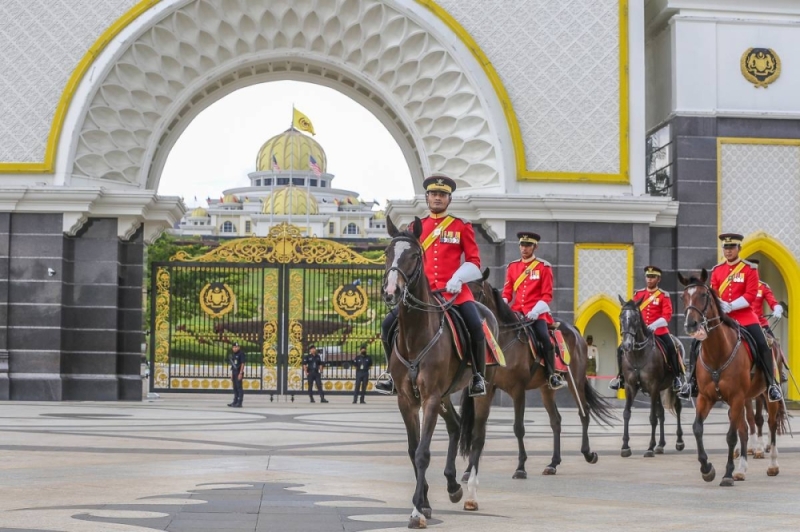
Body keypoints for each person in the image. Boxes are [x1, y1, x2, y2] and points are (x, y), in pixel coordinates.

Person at [376, 174, 487, 397]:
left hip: (454, 293)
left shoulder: (460, 226)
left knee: (476, 326)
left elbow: (475, 262)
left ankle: (477, 376)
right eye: (434, 194)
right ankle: (390, 374)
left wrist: (458, 277)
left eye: (442, 195)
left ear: (449, 199)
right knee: (388, 325)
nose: (438, 198)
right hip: (422, 294)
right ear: (427, 198)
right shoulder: (415, 228)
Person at [679, 233, 782, 402]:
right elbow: (713, 292)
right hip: (723, 318)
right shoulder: (718, 270)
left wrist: (732, 305)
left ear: (739, 249)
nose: (728, 251)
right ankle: (691, 382)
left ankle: (771, 385)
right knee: (696, 342)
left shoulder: (749, 269)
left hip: (745, 317)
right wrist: (720, 305)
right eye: (725, 248)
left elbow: (750, 295)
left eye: (732, 248)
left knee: (763, 343)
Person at [501, 231, 565, 390]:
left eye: (528, 245)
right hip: (517, 312)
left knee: (544, 338)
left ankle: (551, 375)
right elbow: (507, 293)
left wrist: (535, 311)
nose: (524, 248)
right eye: (522, 245)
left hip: (537, 313)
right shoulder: (512, 267)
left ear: (535, 247)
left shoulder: (544, 267)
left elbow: (547, 295)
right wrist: (502, 305)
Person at [609, 266, 684, 392]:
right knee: (620, 349)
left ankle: (677, 377)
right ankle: (621, 378)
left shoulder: (663, 295)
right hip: (641, 333)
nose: (649, 280)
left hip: (659, 331)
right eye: (648, 277)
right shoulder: (638, 294)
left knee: (672, 347)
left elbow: (667, 316)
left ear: (658, 279)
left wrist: (654, 325)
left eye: (652, 277)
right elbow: (633, 313)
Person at [748, 259, 784, 337]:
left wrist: (777, 308)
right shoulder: (738, 286)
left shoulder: (763, 287)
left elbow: (772, 301)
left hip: (760, 323)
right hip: (742, 323)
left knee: (772, 343)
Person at [228, 342, 245, 407]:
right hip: (234, 372)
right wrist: (232, 374)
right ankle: (235, 401)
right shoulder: (234, 354)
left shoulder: (241, 354)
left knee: (239, 387)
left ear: (239, 347)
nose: (235, 348)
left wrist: (240, 373)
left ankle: (239, 402)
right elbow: (233, 365)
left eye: (236, 347)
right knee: (235, 387)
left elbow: (242, 364)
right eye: (234, 347)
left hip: (238, 372)